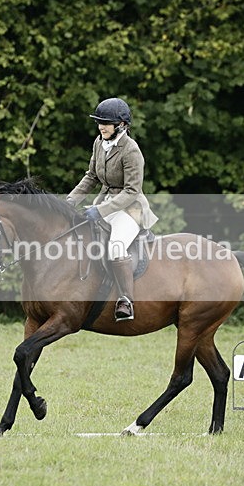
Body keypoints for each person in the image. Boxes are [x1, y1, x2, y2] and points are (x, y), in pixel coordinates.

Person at [66, 97, 159, 322]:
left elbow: (132, 191)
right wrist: (69, 201)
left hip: (130, 209)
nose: (101, 126)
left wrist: (101, 211)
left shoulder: (131, 150)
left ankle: (126, 300)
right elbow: (91, 176)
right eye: (99, 122)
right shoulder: (99, 143)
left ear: (122, 125)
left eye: (106, 123)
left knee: (116, 246)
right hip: (105, 202)